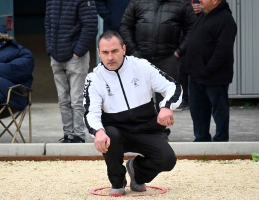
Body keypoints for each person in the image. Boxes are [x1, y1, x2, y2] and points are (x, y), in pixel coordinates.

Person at [83, 31, 182, 196]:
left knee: (168, 160)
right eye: (105, 53)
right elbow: (90, 112)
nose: (110, 57)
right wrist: (98, 131)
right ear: (99, 53)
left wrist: (166, 106)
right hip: (116, 131)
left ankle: (137, 170)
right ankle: (117, 182)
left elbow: (173, 86)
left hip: (146, 128)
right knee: (109, 133)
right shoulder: (94, 78)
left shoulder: (141, 66)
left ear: (123, 49)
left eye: (114, 51)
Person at [119, 0, 196, 140]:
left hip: (168, 57)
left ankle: (161, 133)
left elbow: (192, 28)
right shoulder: (137, 2)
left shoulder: (182, 3)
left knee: (165, 97)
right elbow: (125, 26)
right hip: (140, 57)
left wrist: (178, 52)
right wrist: (134, 51)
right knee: (138, 96)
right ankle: (139, 132)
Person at [44, 0, 98, 143]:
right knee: (63, 100)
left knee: (77, 99)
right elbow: (48, 22)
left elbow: (91, 26)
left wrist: (78, 52)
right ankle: (68, 134)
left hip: (76, 57)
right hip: (56, 56)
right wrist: (50, 48)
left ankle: (79, 135)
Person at [185, 0, 237, 142]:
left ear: (215, 0)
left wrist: (207, 69)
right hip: (196, 75)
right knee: (198, 111)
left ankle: (221, 141)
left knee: (219, 110)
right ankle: (201, 140)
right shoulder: (204, 15)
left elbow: (223, 50)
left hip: (215, 77)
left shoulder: (225, 19)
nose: (199, 0)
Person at [176, 0, 202, 110]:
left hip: (200, 32)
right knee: (182, 69)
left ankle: (199, 100)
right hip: (183, 36)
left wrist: (203, 8)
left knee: (198, 67)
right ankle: (184, 99)